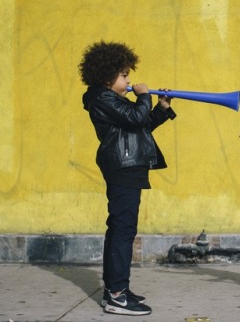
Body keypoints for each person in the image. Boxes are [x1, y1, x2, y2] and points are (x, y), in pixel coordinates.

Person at [78, 41, 176, 316]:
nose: (130, 80)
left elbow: (140, 127)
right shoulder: (102, 98)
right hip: (122, 167)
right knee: (123, 230)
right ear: (108, 77)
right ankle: (117, 296)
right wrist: (144, 96)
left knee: (121, 229)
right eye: (124, 75)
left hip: (129, 165)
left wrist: (161, 108)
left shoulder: (112, 100)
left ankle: (116, 288)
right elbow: (135, 118)